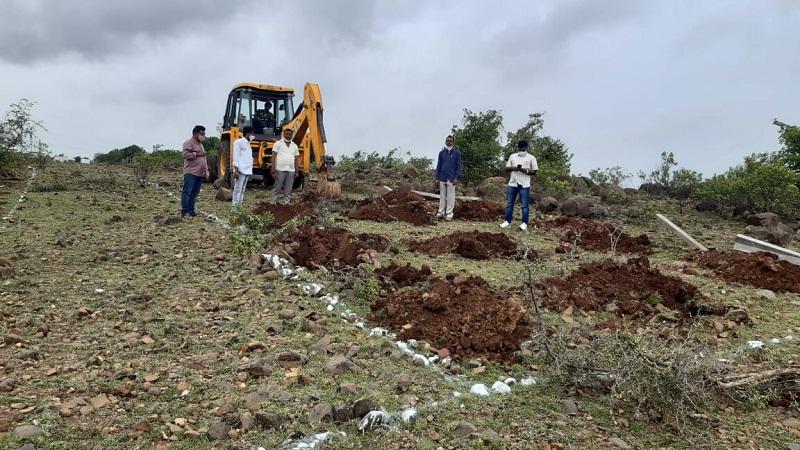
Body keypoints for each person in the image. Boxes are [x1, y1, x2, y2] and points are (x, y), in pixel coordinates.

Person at [500, 140, 538, 231]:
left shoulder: (531, 158)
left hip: (524, 184)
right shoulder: (512, 156)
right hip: (513, 183)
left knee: (524, 205)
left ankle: (524, 223)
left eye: (522, 148)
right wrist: (515, 168)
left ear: (526, 147)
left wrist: (526, 171)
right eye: (519, 148)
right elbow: (506, 168)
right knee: (509, 204)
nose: (521, 149)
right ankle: (507, 222)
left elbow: (535, 171)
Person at [181, 125, 208, 219]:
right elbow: (185, 154)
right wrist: (197, 154)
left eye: (204, 134)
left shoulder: (201, 144)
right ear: (196, 133)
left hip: (200, 173)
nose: (203, 136)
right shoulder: (188, 143)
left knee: (194, 193)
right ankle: (185, 212)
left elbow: (204, 158)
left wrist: (206, 170)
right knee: (187, 192)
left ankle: (191, 211)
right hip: (191, 172)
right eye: (202, 134)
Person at [434, 135, 462, 220]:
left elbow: (459, 166)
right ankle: (441, 212)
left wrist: (456, 177)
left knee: (450, 196)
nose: (449, 142)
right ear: (445, 142)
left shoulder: (457, 153)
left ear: (453, 142)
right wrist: (437, 177)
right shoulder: (442, 153)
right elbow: (439, 165)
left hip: (452, 177)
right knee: (442, 196)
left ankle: (449, 213)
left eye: (450, 141)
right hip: (442, 177)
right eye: (447, 141)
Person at [271, 127, 300, 205]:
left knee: (288, 188)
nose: (288, 136)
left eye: (289, 134)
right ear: (283, 134)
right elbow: (273, 156)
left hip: (291, 170)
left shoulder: (294, 146)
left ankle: (286, 203)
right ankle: (274, 202)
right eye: (286, 134)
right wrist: (273, 169)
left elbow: (296, 159)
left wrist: (297, 171)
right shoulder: (278, 144)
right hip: (280, 169)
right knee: (277, 187)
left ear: (292, 135)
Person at [232, 125, 254, 206]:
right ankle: (234, 208)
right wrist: (236, 170)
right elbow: (236, 157)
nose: (253, 135)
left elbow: (249, 159)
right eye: (252, 133)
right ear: (248, 133)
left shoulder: (248, 144)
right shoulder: (238, 142)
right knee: (237, 190)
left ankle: (239, 206)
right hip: (240, 170)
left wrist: (250, 172)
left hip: (247, 170)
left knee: (242, 190)